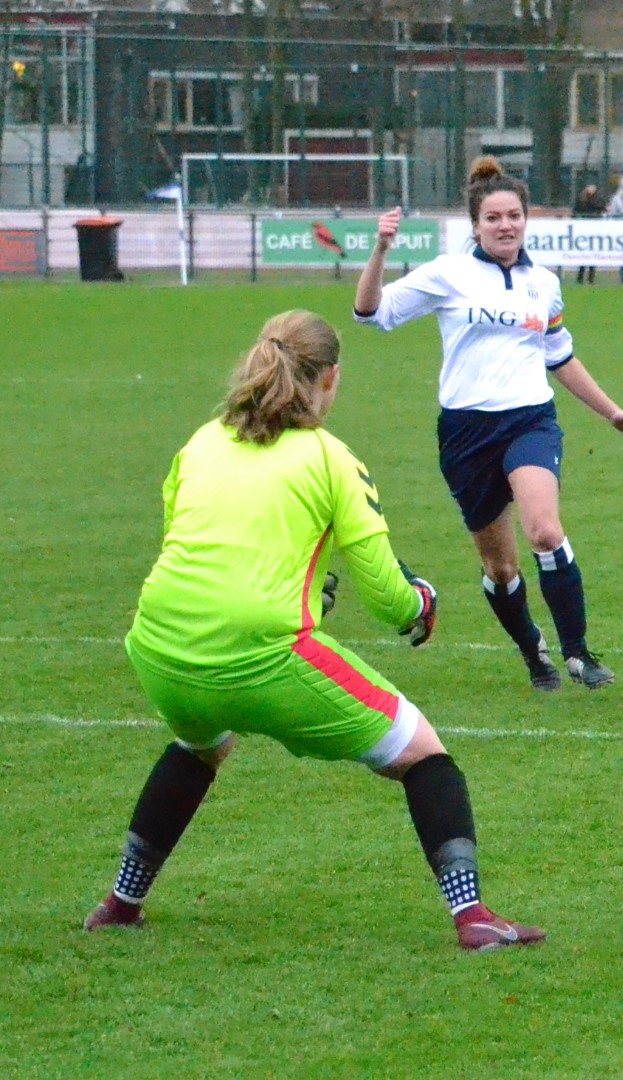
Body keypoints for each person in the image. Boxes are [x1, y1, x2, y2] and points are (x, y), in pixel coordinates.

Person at [83, 310, 543, 951]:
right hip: (261, 655)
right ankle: (473, 918)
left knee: (201, 746)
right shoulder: (331, 458)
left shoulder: (202, 441)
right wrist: (422, 602)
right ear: (328, 379)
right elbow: (388, 599)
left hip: (160, 648)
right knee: (424, 755)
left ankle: (120, 903)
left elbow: (192, 545)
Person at [354, 158, 623, 691]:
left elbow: (560, 356)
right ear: (475, 224)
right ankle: (533, 653)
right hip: (465, 434)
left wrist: (612, 413)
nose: (505, 225)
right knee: (500, 568)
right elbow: (370, 312)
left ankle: (579, 653)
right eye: (493, 217)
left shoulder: (543, 283)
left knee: (545, 529)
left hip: (530, 421)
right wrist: (380, 250)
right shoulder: (447, 273)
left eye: (514, 215)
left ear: (526, 220)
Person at [571, 182, 606, 285]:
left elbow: (602, 208)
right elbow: (575, 212)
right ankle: (580, 277)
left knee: (592, 256)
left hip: (594, 231)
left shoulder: (598, 199)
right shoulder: (581, 199)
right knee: (583, 255)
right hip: (583, 231)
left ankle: (591, 278)